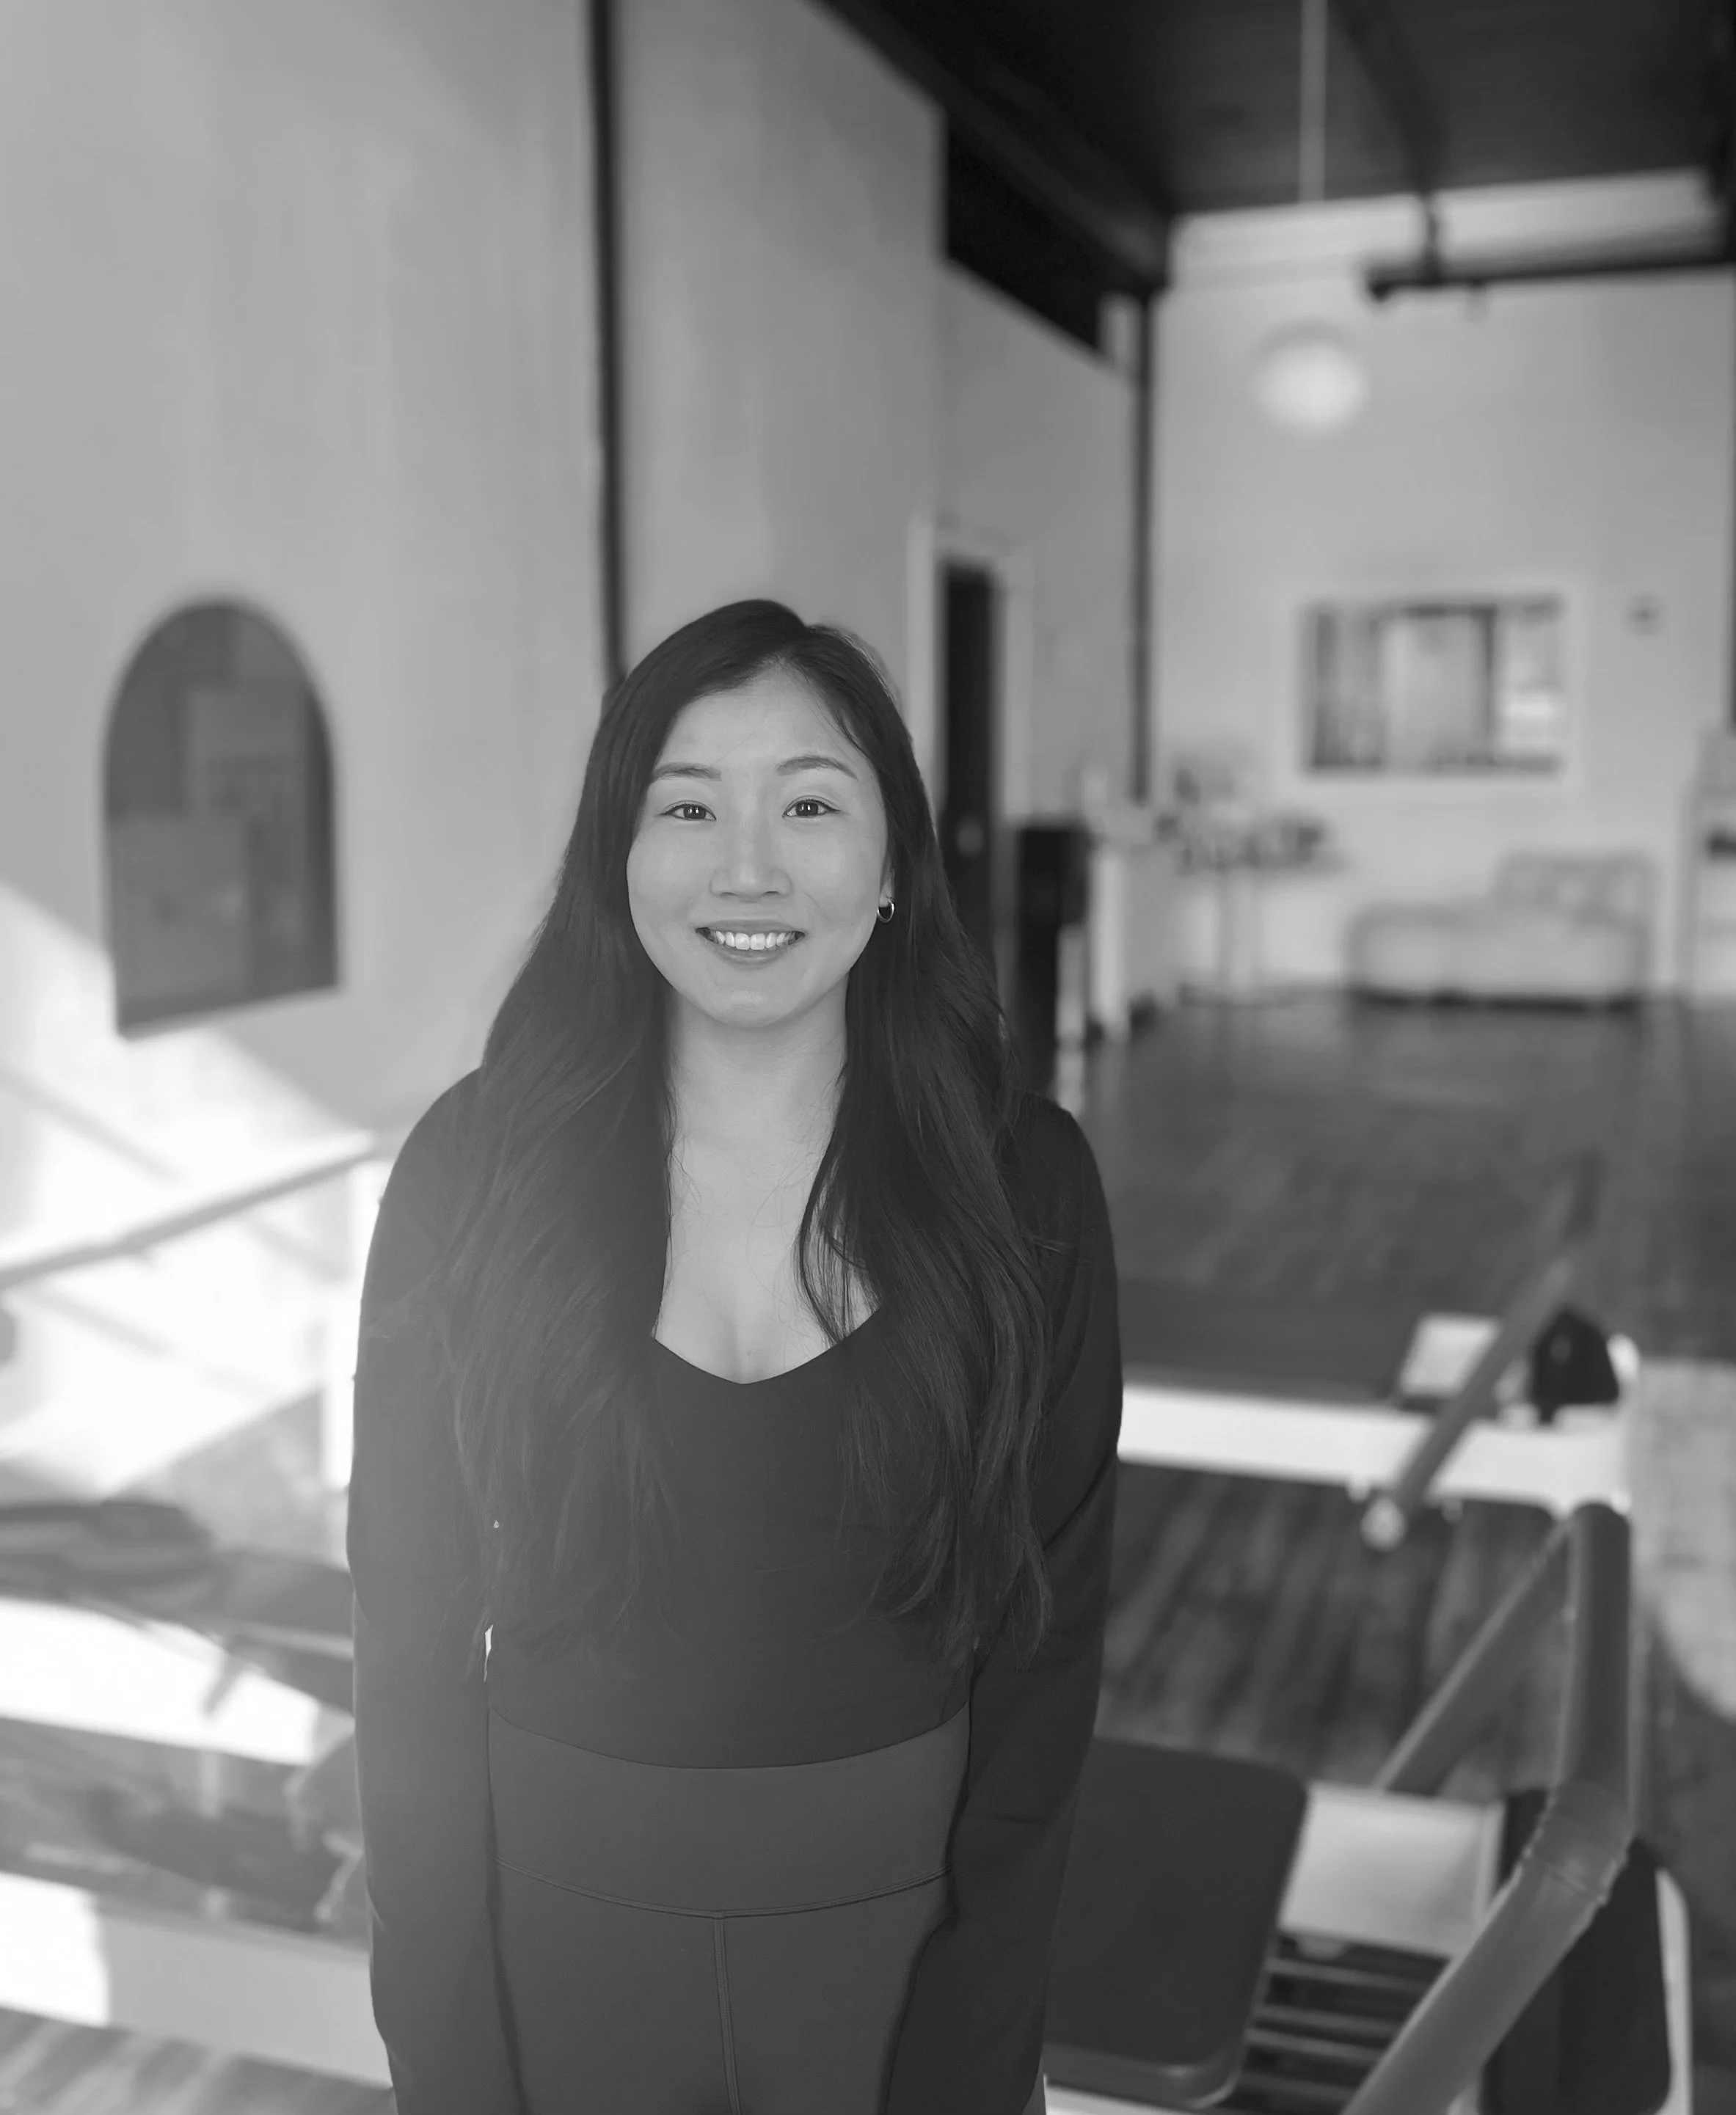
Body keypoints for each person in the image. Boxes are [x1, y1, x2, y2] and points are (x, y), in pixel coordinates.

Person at [349, 599, 1123, 2115]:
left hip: (900, 1948)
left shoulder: (1023, 1184)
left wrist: (975, 2048)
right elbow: (409, 1630)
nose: (747, 868)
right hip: (558, 1938)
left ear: (892, 865)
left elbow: (1048, 1650)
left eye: (810, 806)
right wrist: (443, 2050)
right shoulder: (475, 1170)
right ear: (618, 856)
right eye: (688, 806)